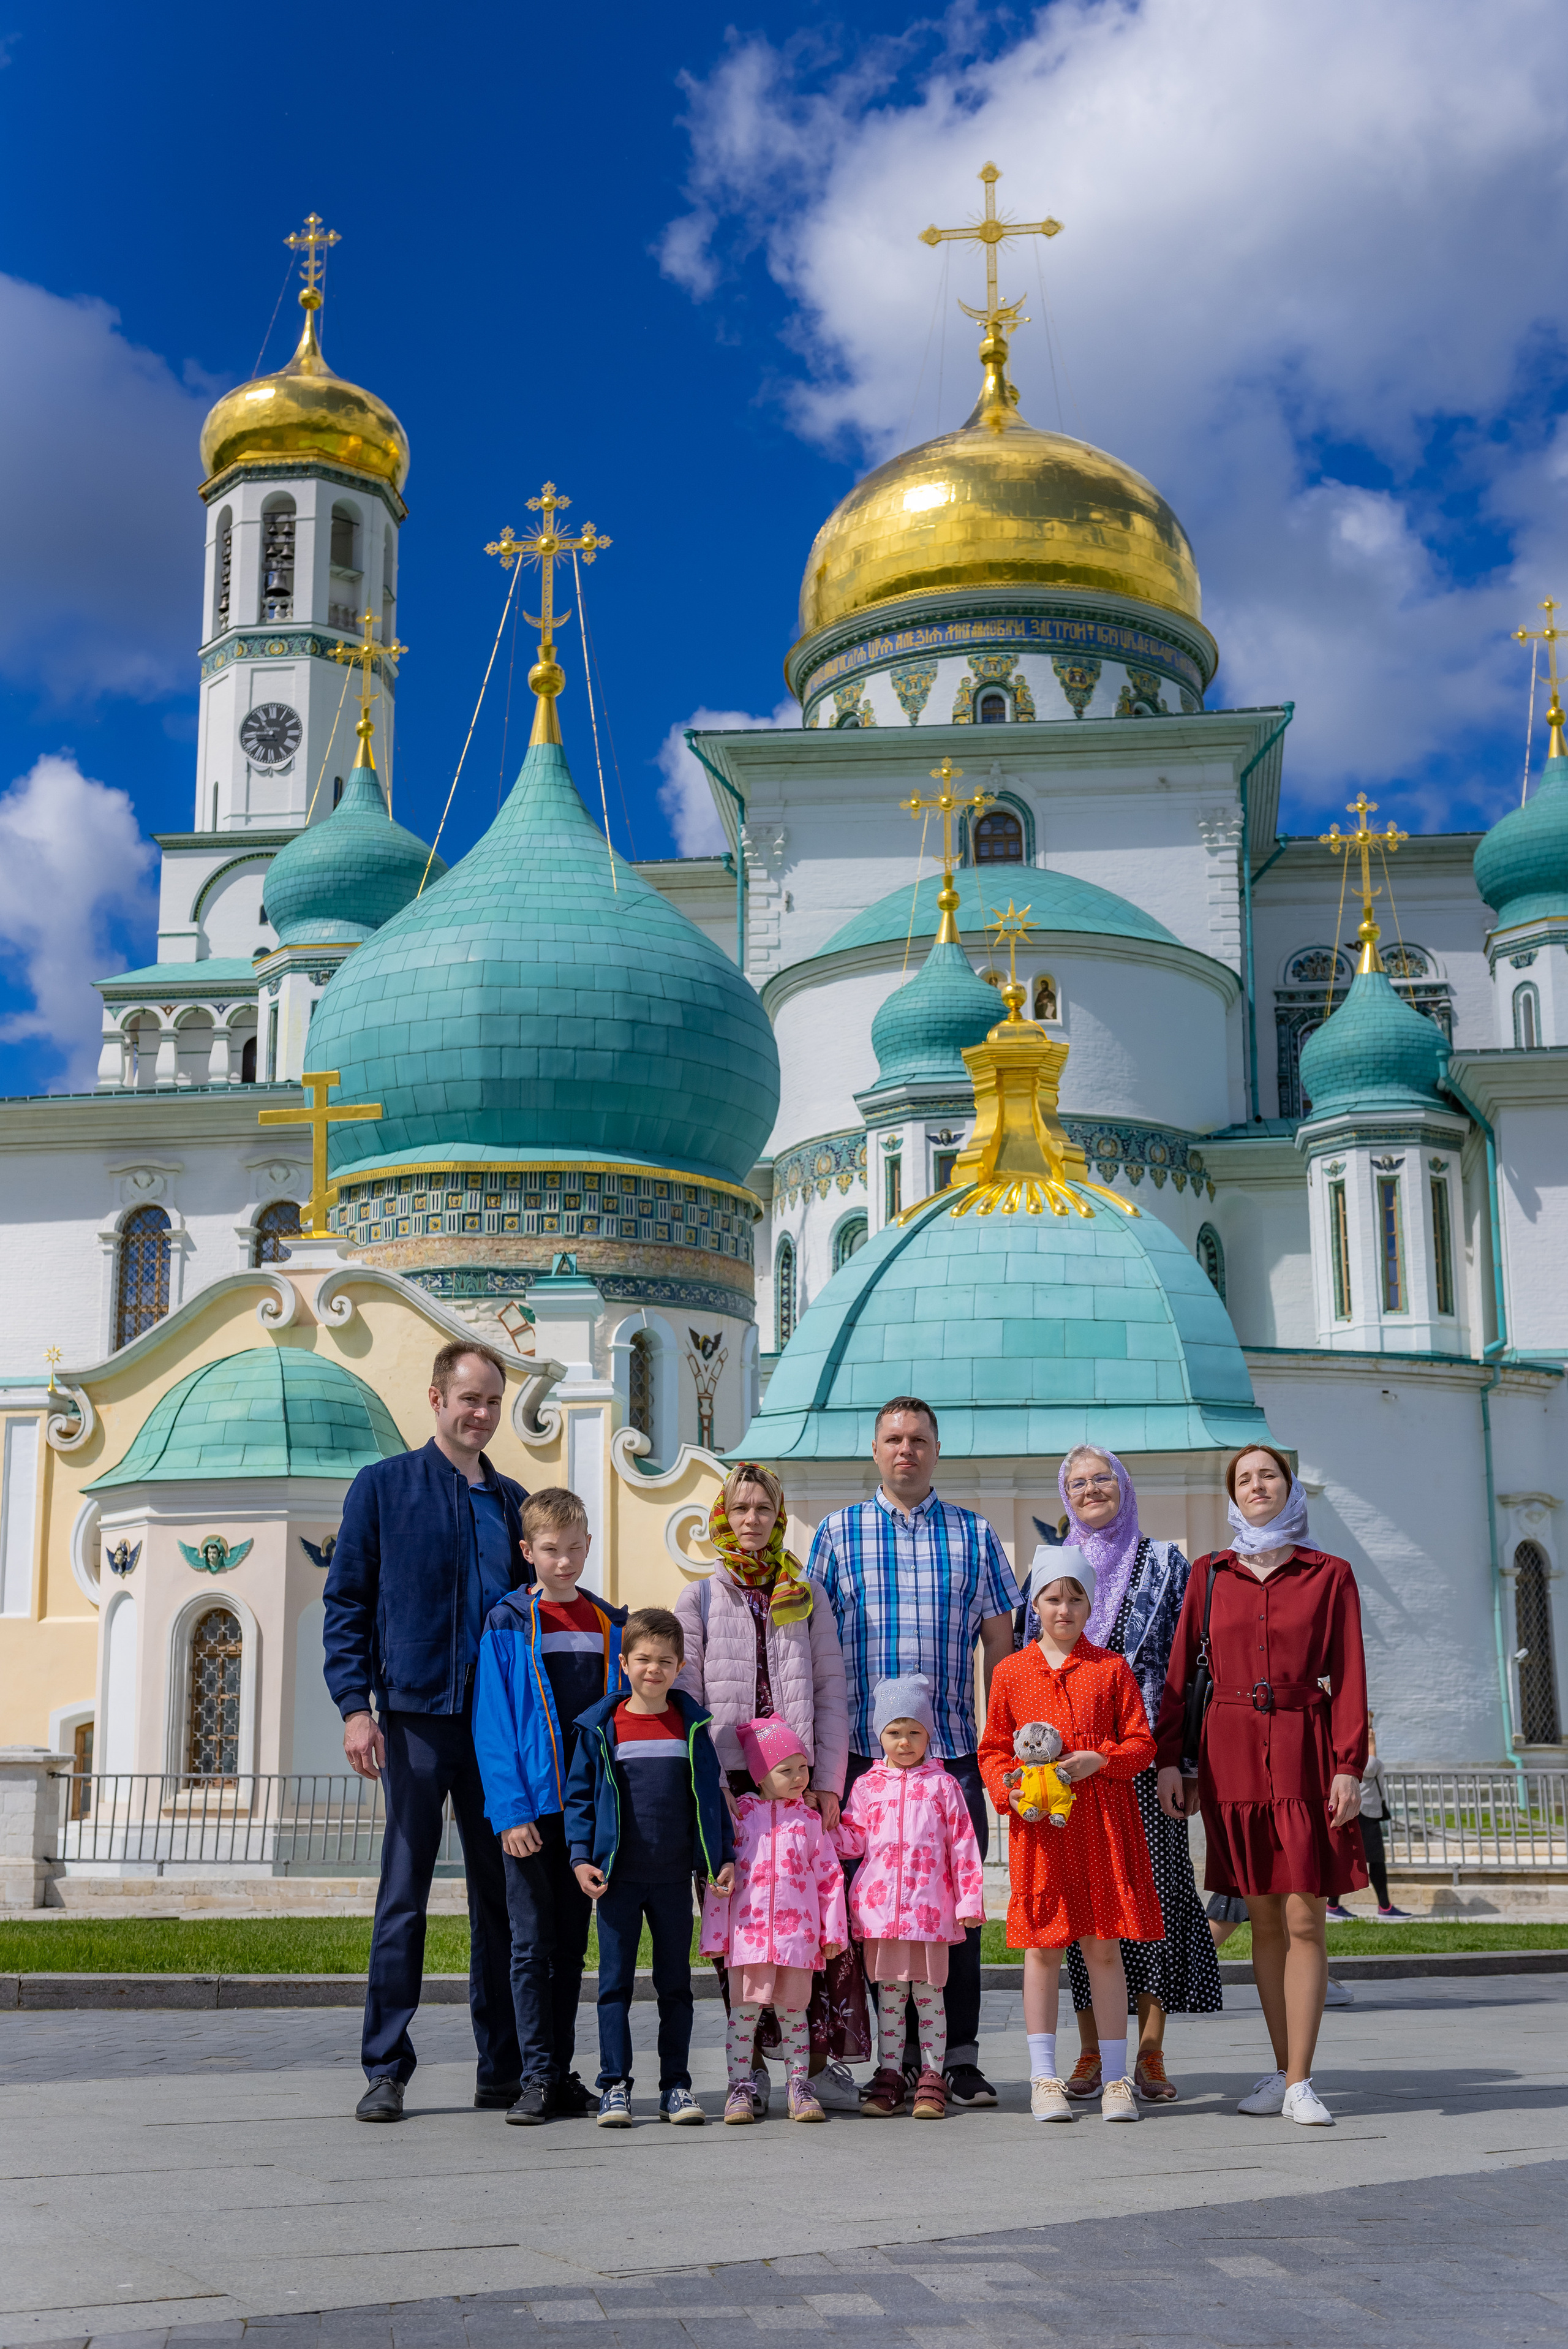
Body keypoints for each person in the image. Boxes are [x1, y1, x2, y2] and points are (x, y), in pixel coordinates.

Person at [324, 1341, 527, 2124]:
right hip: (411, 1720)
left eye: (491, 1403)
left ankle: (502, 2070)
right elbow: (347, 1605)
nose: (479, 1414)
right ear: (437, 1399)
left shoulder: (512, 1502)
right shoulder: (383, 1489)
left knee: (502, 1901)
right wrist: (356, 1706)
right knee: (403, 1898)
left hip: (495, 1733)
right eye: (467, 1399)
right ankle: (385, 2068)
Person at [807, 1396, 1020, 2108]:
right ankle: (894, 2062)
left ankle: (956, 2058)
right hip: (865, 1770)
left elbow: (999, 1642)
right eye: (894, 1439)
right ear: (875, 1450)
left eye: (919, 1439)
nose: (907, 1450)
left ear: (936, 1450)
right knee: (876, 1917)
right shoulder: (839, 1535)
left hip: (952, 1757)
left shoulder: (973, 1535)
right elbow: (816, 1646)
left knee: (953, 1915)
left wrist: (1002, 1735)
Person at [1155, 1443, 1368, 2128]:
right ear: (1233, 1494)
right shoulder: (1209, 1575)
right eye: (1244, 1478)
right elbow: (1180, 1676)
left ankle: (1303, 2081)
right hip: (1231, 1754)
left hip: (1305, 1750)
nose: (1256, 1486)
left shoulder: (1328, 1575)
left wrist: (1347, 1765)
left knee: (1305, 1912)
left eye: (1267, 1475)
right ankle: (1281, 2072)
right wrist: (1170, 1760)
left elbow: (1350, 1675)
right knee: (1263, 1918)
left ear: (1288, 1487)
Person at [675, 1463, 860, 2110]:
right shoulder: (699, 1599)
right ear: (722, 1515)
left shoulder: (803, 1593)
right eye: (741, 1508)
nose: (751, 1519)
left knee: (801, 1933)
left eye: (763, 1509)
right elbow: (689, 1705)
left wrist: (827, 1782)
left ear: (778, 1516)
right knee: (739, 1934)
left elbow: (832, 1691)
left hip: (795, 1783)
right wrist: (708, 1792)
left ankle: (805, 2070)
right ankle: (744, 2074)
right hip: (731, 1789)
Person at [1043, 1447, 1222, 2105]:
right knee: (1084, 1909)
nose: (1090, 1490)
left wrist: (1181, 1761)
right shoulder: (1057, 1564)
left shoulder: (1165, 1564)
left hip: (1144, 1764)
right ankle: (1092, 2047)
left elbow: (1184, 1675)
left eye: (1101, 1479)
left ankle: (1148, 2047)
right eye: (1077, 1482)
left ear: (1123, 1487)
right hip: (1070, 1768)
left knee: (1152, 1905)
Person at [980, 1553, 1163, 2126]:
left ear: (1091, 1605)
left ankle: (1115, 2080)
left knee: (1104, 1948)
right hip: (1043, 1831)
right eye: (1054, 1599)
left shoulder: (1110, 1669)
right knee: (1042, 1949)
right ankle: (1043, 2078)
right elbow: (993, 1750)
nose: (1065, 1609)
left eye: (1076, 1598)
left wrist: (1098, 1759)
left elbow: (1141, 1745)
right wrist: (1008, 1790)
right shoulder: (1012, 1671)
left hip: (1103, 1823)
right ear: (1034, 1605)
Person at [473, 1486, 627, 2125]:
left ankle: (561, 2076)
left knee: (570, 1948)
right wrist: (510, 1812)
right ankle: (533, 2076)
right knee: (530, 1947)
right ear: (527, 1551)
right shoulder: (508, 1621)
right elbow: (494, 1723)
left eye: (573, 1549)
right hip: (532, 1813)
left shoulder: (608, 1623)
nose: (563, 1562)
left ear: (587, 1546)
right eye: (549, 1551)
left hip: (585, 1814)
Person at [565, 1606, 734, 2127]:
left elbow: (711, 1799)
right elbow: (579, 1800)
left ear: (680, 1665)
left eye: (665, 1661)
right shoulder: (602, 1726)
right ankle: (614, 2084)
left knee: (675, 1985)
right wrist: (579, 1857)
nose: (653, 1670)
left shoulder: (690, 1726)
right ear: (624, 1662)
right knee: (613, 1984)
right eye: (643, 1659)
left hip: (672, 1881)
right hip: (616, 1879)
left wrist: (719, 1859)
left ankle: (676, 2088)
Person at [835, 1675, 987, 2120]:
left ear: (928, 1734)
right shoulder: (866, 1787)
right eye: (895, 1732)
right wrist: (819, 1824)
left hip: (930, 1915)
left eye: (914, 1732)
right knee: (889, 1999)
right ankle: (891, 2073)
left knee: (928, 1997)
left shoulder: (944, 1787)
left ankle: (933, 2075)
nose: (904, 1742)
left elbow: (963, 1847)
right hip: (881, 1916)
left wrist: (970, 1902)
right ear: (879, 1734)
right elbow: (853, 1839)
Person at [699, 1715, 849, 2125]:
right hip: (747, 1940)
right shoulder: (740, 1820)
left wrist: (832, 1930)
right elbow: (719, 1873)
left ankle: (800, 2088)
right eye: (787, 1770)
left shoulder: (810, 1821)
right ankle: (740, 2088)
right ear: (761, 1775)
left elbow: (830, 1879)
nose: (800, 1777)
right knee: (743, 2015)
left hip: (797, 1940)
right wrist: (716, 1935)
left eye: (803, 1767)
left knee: (794, 2015)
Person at [1330, 1712, 1409, 1921]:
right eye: (1368, 1727)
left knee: (1369, 1860)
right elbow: (1369, 1768)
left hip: (1366, 1811)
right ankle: (1382, 1907)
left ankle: (1379, 1906)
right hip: (1361, 1811)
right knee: (1370, 1860)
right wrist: (1372, 1745)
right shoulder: (1354, 1747)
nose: (1371, 1732)